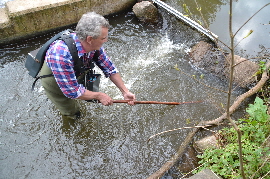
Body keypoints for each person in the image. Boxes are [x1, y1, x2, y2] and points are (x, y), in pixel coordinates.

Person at [40, 12, 136, 119]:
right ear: (90, 39)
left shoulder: (94, 45)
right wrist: (99, 95)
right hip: (55, 82)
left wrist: (125, 91)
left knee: (88, 93)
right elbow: (72, 91)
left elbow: (109, 67)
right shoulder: (60, 55)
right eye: (103, 38)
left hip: (76, 72)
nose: (106, 40)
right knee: (74, 113)